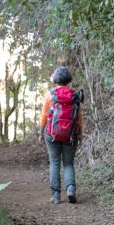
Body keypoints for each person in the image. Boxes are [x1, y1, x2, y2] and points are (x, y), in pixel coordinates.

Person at [38, 66, 83, 204]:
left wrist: (41, 131)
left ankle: (56, 195)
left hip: (52, 134)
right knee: (68, 163)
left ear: (55, 80)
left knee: (55, 163)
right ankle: (70, 189)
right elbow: (79, 117)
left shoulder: (50, 94)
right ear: (68, 80)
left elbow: (44, 115)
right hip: (70, 134)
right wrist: (79, 133)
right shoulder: (74, 95)